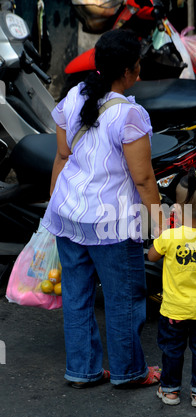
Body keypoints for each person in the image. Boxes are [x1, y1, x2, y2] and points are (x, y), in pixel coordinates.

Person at [42, 29, 163, 389]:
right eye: (138, 64)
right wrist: (161, 227)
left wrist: (54, 212)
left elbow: (63, 156)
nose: (140, 70)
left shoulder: (74, 96)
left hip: (69, 214)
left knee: (77, 296)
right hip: (110, 224)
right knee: (122, 298)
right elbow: (143, 180)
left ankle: (83, 370)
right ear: (127, 71)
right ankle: (129, 372)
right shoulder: (130, 115)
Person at [148, 169, 196, 407]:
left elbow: (152, 256)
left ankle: (169, 390)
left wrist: (166, 231)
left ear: (176, 209)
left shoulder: (170, 237)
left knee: (172, 349)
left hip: (174, 309)